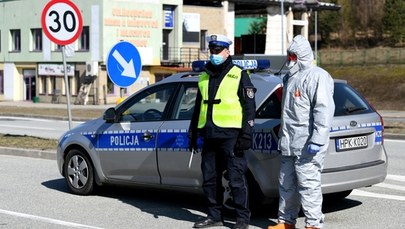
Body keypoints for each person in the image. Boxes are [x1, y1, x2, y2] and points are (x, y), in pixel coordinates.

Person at [188, 34, 256, 229]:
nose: (214, 54)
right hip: (209, 135)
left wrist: (246, 134)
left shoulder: (239, 74)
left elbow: (250, 108)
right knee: (209, 179)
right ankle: (214, 216)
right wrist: (193, 133)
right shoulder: (204, 75)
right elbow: (198, 107)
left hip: (231, 137)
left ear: (227, 51)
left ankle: (242, 219)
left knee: (236, 180)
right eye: (212, 51)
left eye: (218, 51)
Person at [268, 35, 335, 229]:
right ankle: (286, 221)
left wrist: (318, 139)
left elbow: (323, 109)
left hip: (308, 143)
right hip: (289, 142)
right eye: (289, 55)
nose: (290, 59)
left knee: (308, 185)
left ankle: (313, 224)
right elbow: (288, 114)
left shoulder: (317, 76)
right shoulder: (290, 78)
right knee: (286, 184)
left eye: (293, 55)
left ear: (303, 55)